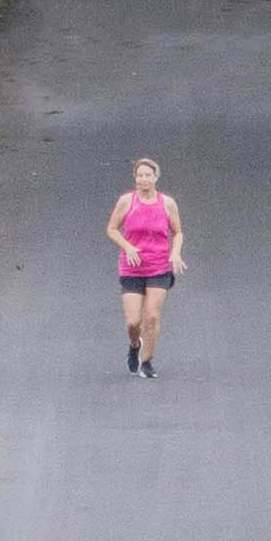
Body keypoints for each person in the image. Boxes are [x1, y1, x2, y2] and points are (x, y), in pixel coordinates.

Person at [107, 158, 184, 378]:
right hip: (132, 267)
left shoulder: (167, 203)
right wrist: (128, 247)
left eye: (148, 175)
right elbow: (112, 229)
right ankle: (134, 346)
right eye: (140, 175)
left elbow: (177, 232)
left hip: (159, 266)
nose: (143, 179)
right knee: (133, 321)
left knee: (151, 317)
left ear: (155, 177)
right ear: (135, 178)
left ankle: (147, 362)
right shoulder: (126, 201)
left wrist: (175, 252)